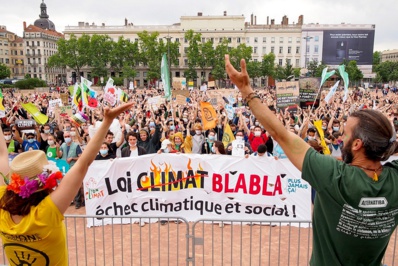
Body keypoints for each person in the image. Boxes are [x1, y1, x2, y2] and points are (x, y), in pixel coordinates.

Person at [225, 54, 398, 266]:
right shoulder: (395, 180)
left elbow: (281, 135)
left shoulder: (334, 176)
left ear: (357, 145)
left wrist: (247, 91)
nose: (340, 138)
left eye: (345, 134)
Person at [0, 103, 133, 265]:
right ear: (45, 184)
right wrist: (107, 121)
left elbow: (1, 155)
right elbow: (83, 163)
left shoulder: (2, 206)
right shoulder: (46, 213)